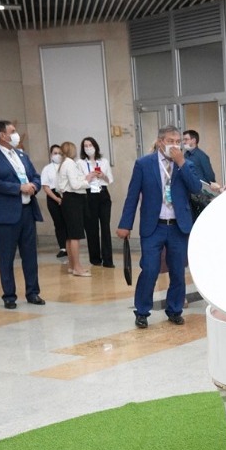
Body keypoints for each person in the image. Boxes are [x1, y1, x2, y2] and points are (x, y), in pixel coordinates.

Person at [116, 125, 202, 329]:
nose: (175, 145)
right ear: (160, 141)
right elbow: (132, 196)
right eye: (170, 141)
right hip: (153, 226)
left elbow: (196, 187)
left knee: (178, 271)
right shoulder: (144, 164)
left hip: (178, 226)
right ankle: (142, 311)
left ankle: (174, 309)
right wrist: (125, 224)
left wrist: (181, 163)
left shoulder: (186, 164)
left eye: (178, 141)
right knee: (149, 269)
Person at [0, 120, 44, 310]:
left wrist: (34, 186)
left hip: (27, 211)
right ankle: (9, 295)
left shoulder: (21, 155)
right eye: (13, 131)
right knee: (7, 256)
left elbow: (35, 176)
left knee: (30, 255)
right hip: (7, 214)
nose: (16, 134)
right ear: (2, 135)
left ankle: (33, 292)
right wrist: (18, 188)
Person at [79, 136, 115, 268]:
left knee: (105, 227)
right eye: (86, 146)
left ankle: (108, 259)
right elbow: (79, 180)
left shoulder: (103, 161)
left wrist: (102, 176)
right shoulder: (80, 163)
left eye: (90, 145)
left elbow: (110, 180)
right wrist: (89, 176)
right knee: (92, 227)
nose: (89, 148)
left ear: (95, 146)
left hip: (102, 193)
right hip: (89, 194)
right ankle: (95, 258)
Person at [56, 141, 90, 277]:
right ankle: (77, 267)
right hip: (73, 200)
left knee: (70, 236)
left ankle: (72, 265)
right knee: (75, 235)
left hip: (68, 199)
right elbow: (75, 185)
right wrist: (87, 181)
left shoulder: (63, 164)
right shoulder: (69, 164)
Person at [39, 144, 68, 260]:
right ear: (51, 155)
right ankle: (63, 248)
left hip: (65, 194)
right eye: (55, 153)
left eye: (60, 153)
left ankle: (70, 245)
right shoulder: (47, 169)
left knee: (67, 222)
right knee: (58, 222)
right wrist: (56, 199)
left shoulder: (66, 166)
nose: (58, 155)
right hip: (53, 196)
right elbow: (45, 187)